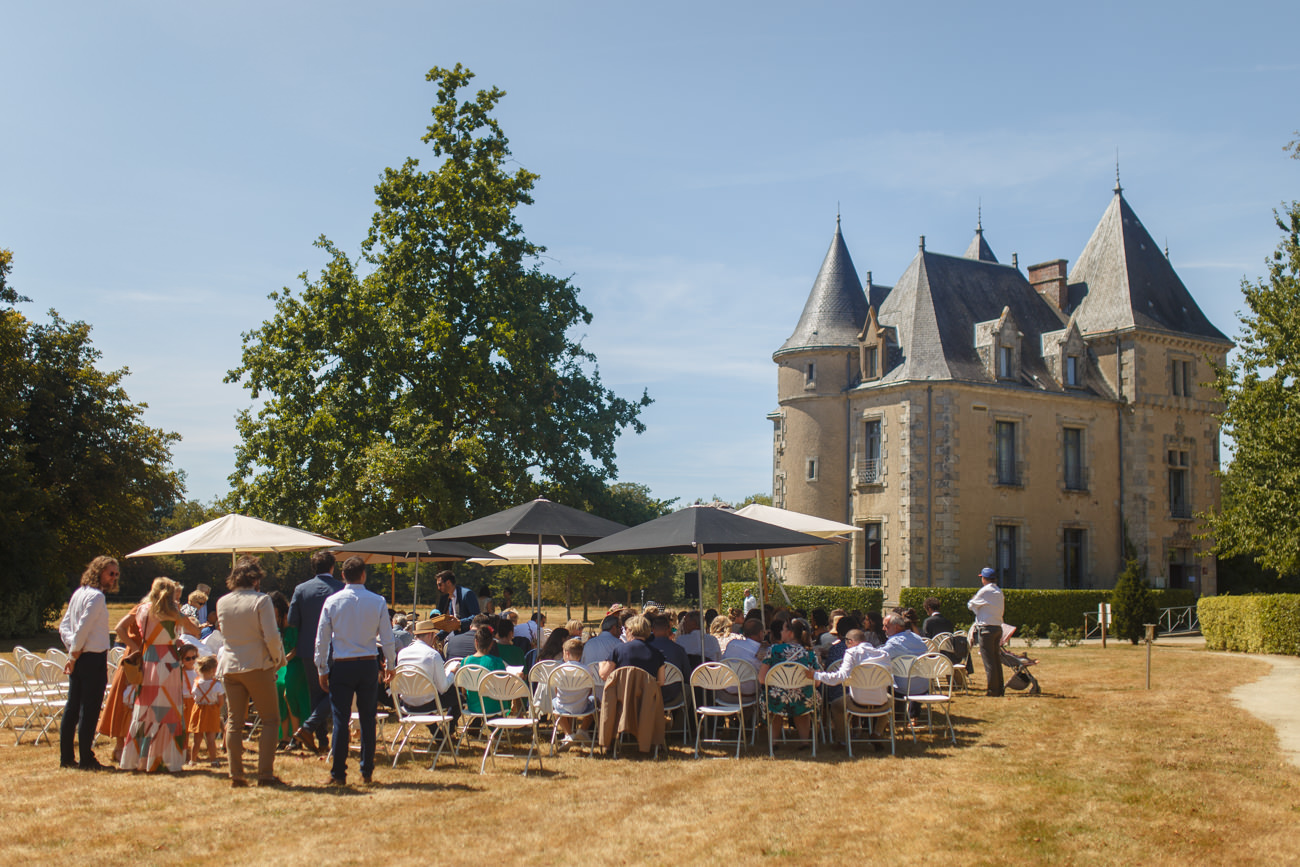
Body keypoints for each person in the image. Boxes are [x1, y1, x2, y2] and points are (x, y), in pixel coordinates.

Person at [315, 556, 396, 786]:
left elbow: (321, 639)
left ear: (343, 576)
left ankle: (338, 773)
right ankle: (367, 771)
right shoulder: (377, 601)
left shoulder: (332, 601)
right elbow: (387, 638)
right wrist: (390, 664)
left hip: (342, 664)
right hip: (368, 663)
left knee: (341, 718)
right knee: (368, 718)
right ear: (363, 575)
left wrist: (321, 667)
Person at [217, 556, 286, 787]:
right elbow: (272, 635)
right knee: (270, 720)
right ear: (255, 579)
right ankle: (265, 774)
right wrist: (278, 659)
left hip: (230, 665)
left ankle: (236, 773)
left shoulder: (222, 602)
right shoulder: (261, 600)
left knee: (235, 722)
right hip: (256, 664)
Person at [121, 576, 200, 773]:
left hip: (149, 660)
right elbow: (195, 631)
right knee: (169, 708)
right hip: (169, 662)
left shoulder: (142, 609)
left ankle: (141, 758)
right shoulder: (173, 613)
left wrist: (135, 646)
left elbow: (122, 629)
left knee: (146, 708)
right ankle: (165, 757)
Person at [58, 555, 119, 770]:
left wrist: (73, 649)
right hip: (91, 657)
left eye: (116, 574)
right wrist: (74, 653)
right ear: (98, 572)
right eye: (110, 573)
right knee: (88, 708)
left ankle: (66, 758)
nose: (114, 578)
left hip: (82, 654)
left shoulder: (78, 594)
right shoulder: (95, 597)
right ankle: (86, 758)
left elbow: (65, 627)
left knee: (73, 706)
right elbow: (81, 626)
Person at [287, 550, 343, 755]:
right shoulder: (341, 589)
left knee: (316, 694)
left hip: (308, 648)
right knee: (337, 691)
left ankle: (320, 739)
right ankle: (311, 729)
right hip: (336, 648)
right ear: (332, 567)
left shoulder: (301, 589)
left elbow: (292, 621)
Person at [811, 629, 891, 747]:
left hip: (857, 702)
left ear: (850, 641)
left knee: (836, 705)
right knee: (890, 699)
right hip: (881, 702)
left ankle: (842, 739)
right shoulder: (883, 654)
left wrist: (816, 675)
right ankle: (877, 732)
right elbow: (890, 678)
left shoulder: (852, 652)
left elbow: (840, 677)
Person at [97, 597, 145, 763]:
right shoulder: (140, 608)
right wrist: (135, 646)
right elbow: (119, 628)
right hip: (134, 658)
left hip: (147, 658)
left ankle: (135, 747)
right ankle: (119, 747)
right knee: (125, 701)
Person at [758, 618, 817, 747]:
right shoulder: (809, 652)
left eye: (783, 629)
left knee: (774, 704)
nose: (781, 632)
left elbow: (762, 679)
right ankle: (805, 741)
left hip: (777, 698)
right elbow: (817, 682)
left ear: (790, 633)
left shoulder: (773, 650)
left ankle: (774, 742)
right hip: (803, 698)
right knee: (804, 703)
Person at [395, 619, 459, 732]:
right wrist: (452, 673)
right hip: (427, 703)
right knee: (458, 697)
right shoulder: (433, 655)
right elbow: (443, 687)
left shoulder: (402, 653)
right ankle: (448, 732)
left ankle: (439, 734)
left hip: (406, 703)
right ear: (430, 635)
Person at [270, 591, 309, 749]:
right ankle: (284, 737)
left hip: (295, 664)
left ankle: (297, 736)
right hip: (281, 663)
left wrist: (281, 662)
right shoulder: (274, 623)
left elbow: (295, 649)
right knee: (279, 691)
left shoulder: (291, 620)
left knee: (290, 694)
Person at [968, 566, 1005, 697]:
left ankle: (993, 690)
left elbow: (971, 604)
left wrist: (975, 603)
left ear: (984, 579)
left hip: (986, 629)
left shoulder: (985, 591)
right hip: (997, 628)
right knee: (995, 659)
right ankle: (1000, 688)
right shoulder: (998, 591)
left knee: (989, 661)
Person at [599, 615, 665, 684]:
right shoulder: (657, 653)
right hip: (647, 694)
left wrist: (601, 665)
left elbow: (604, 675)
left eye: (625, 628)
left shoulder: (619, 650)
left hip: (624, 693)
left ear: (630, 630)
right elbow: (661, 682)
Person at [460, 625, 508, 716]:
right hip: (494, 707)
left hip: (473, 706)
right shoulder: (496, 662)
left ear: (476, 642)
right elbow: (503, 688)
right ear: (491, 643)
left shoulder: (465, 662)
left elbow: (463, 690)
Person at [188, 655, 224, 765]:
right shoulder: (217, 685)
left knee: (197, 739)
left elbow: (194, 696)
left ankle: (192, 760)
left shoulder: (196, 682)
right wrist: (216, 707)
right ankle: (213, 760)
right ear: (214, 670)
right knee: (211, 738)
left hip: (198, 709)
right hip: (211, 709)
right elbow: (221, 701)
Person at [647, 616, 689, 706]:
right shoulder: (678, 649)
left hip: (651, 696)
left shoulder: (646, 649)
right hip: (674, 695)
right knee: (688, 689)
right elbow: (687, 675)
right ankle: (681, 719)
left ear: (652, 630)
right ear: (668, 630)